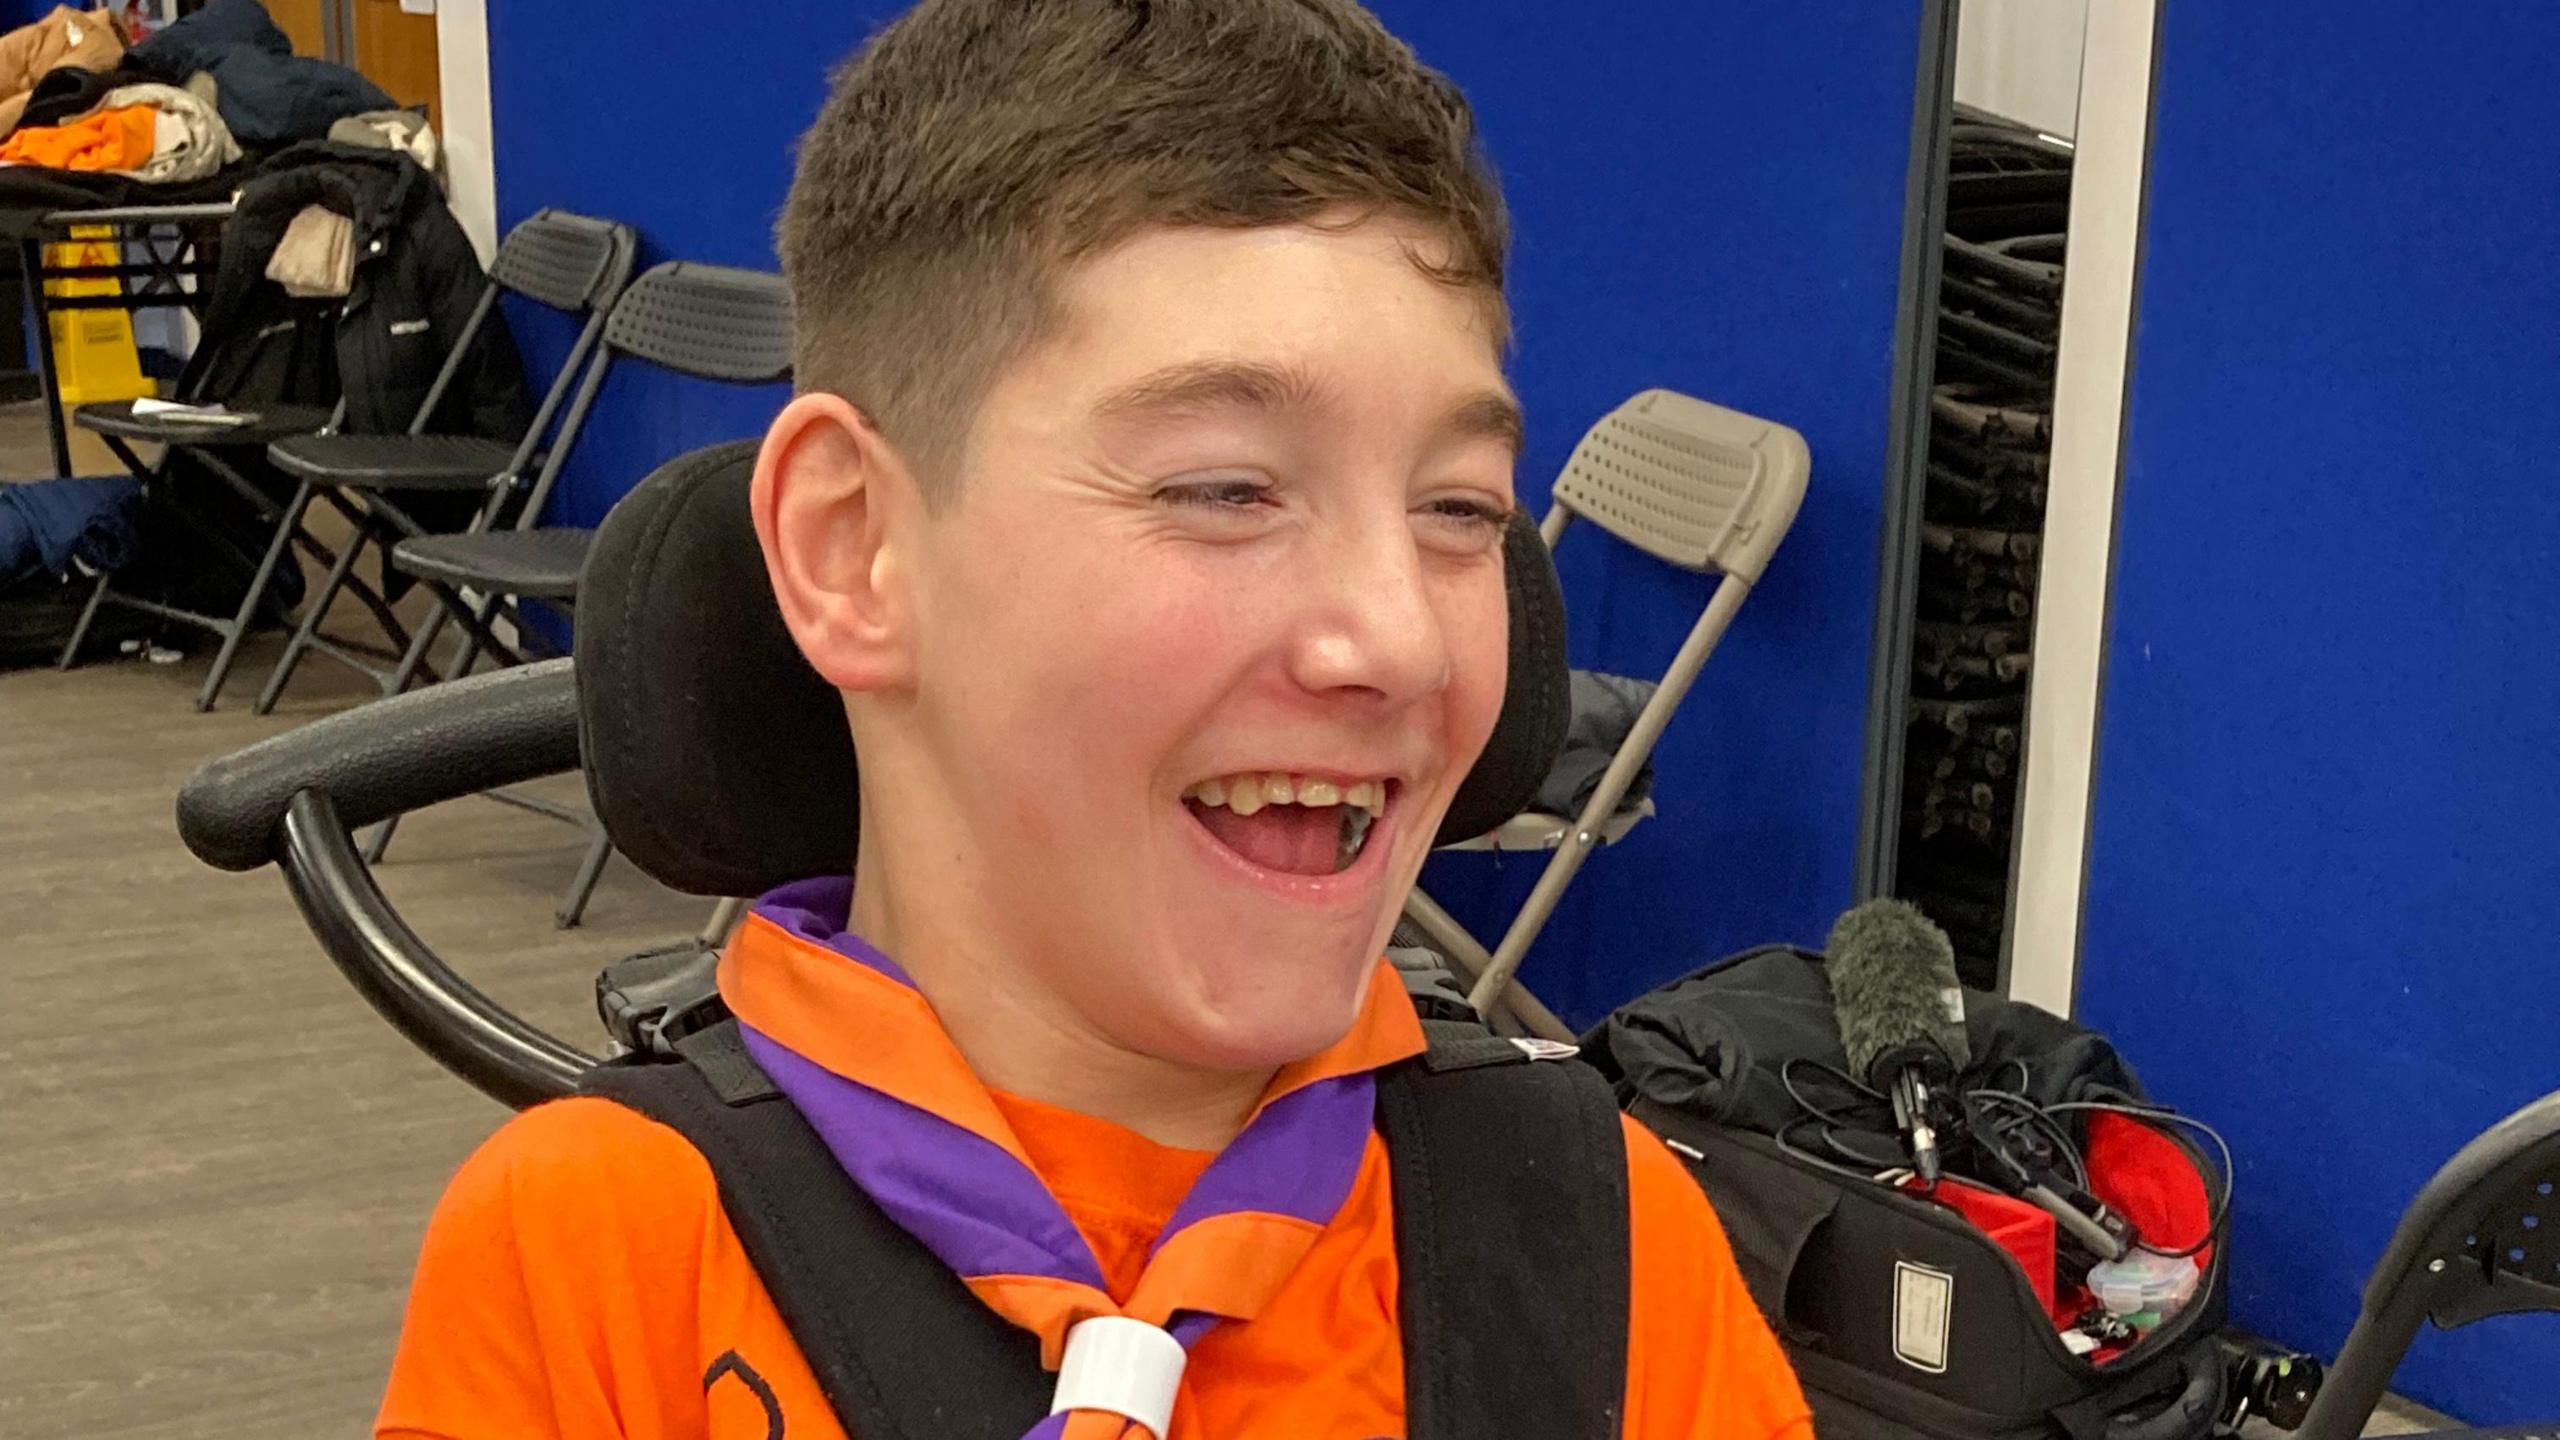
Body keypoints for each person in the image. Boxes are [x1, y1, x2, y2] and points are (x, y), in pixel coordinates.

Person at [375, 2, 1813, 1437]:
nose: (1397, 634)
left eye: (1460, 511)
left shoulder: (1602, 1244)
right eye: (1224, 489)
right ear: (852, 550)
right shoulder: (602, 1265)